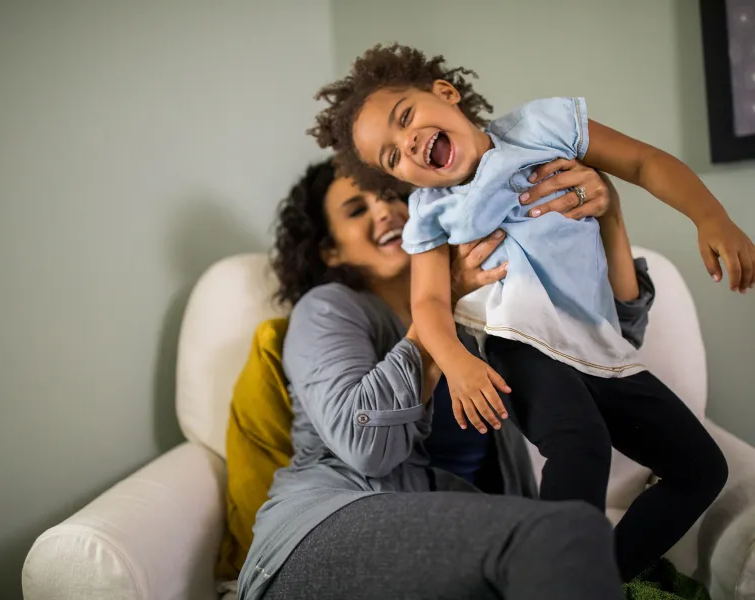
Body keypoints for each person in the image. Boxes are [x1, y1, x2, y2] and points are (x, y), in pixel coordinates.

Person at [309, 43, 740, 580]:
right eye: (392, 156)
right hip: (518, 344)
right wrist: (458, 363)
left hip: (594, 342)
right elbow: (429, 303)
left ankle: (597, 580)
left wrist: (710, 217)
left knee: (701, 468)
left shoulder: (543, 126)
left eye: (406, 117)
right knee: (580, 444)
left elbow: (643, 162)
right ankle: (556, 583)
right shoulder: (431, 211)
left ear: (446, 92)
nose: (409, 144)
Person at [239, 156, 654, 600]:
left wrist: (609, 216)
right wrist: (440, 302)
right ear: (331, 251)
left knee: (568, 544)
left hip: (454, 543)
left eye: (392, 196)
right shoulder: (327, 308)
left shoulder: (484, 307)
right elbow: (367, 448)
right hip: (320, 530)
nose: (385, 211)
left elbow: (609, 345)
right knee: (568, 533)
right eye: (357, 210)